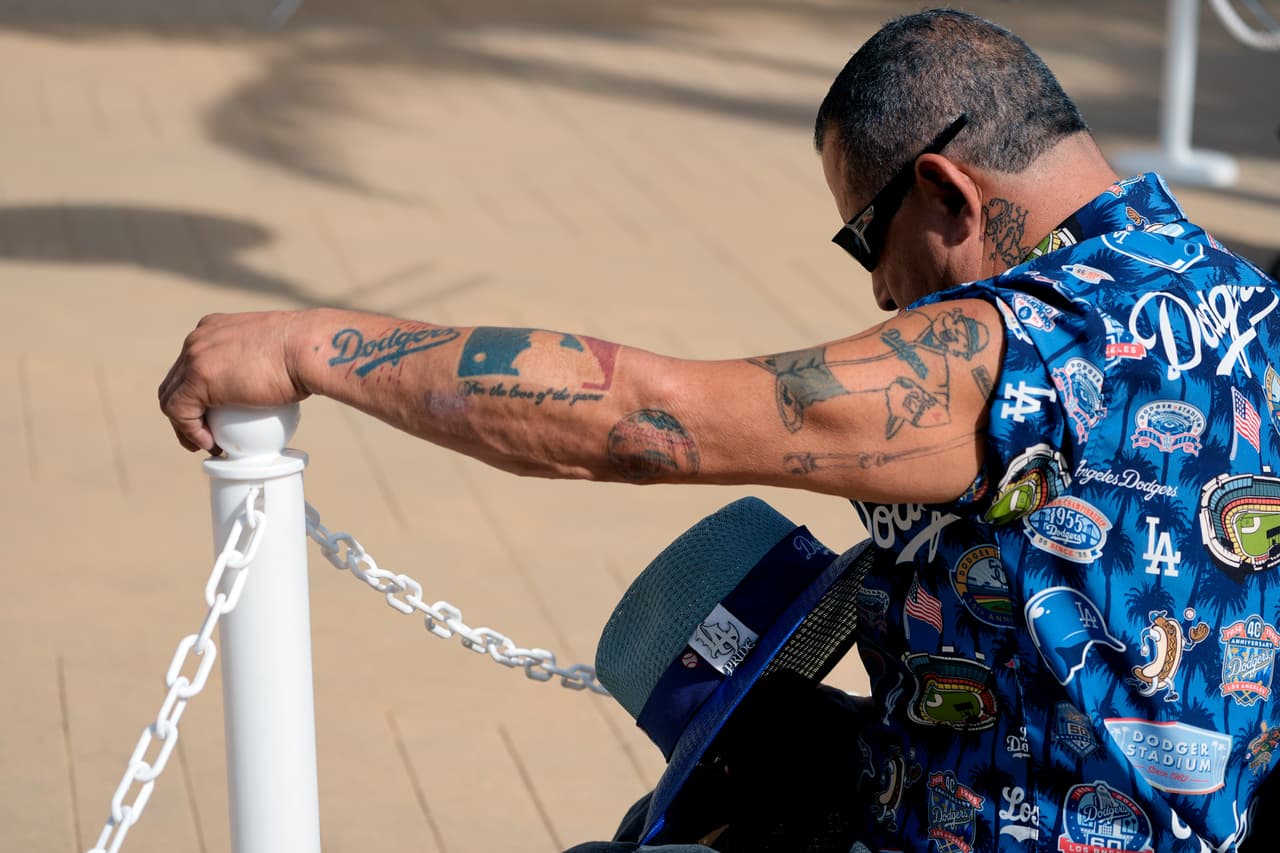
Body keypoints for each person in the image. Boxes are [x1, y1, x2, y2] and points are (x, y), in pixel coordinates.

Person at [159, 8, 1280, 851]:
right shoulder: (1245, 301)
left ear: (941, 191)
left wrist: (316, 346)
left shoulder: (999, 356)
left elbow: (645, 420)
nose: (883, 298)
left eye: (860, 239)